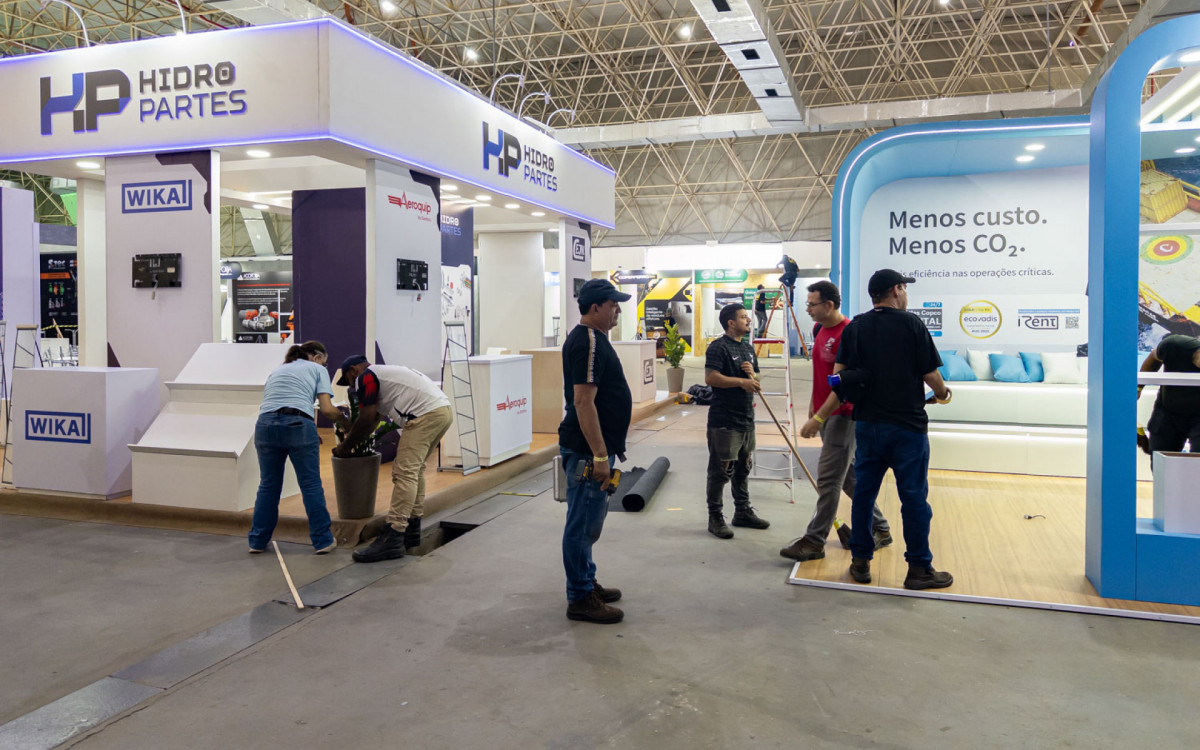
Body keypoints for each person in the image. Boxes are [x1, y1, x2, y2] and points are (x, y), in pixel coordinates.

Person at [835, 269, 954, 590]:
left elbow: (839, 374)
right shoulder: (911, 324)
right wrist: (943, 395)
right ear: (897, 290)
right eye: (904, 288)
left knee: (863, 495)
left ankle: (860, 562)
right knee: (914, 499)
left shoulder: (855, 327)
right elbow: (930, 375)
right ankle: (918, 569)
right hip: (907, 428)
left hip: (868, 426)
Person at [780, 281, 892, 562]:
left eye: (812, 304)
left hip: (842, 415)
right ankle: (881, 527)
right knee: (848, 478)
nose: (808, 310)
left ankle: (814, 541)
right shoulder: (819, 330)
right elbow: (820, 374)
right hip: (824, 415)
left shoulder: (850, 334)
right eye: (807, 304)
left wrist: (819, 417)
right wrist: (812, 408)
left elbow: (846, 386)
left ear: (829, 305)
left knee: (828, 479)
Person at [558, 279, 633, 624]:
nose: (618, 309)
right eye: (613, 303)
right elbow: (583, 401)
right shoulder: (588, 342)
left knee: (589, 521)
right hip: (588, 452)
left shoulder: (594, 340)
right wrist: (600, 455)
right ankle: (580, 597)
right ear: (594, 308)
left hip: (593, 449)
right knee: (582, 523)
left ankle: (586, 581)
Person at [334, 357, 454, 563]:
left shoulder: (367, 377)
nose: (352, 387)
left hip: (424, 415)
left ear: (353, 371)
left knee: (404, 472)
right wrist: (354, 442)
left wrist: (345, 447)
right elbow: (373, 420)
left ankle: (394, 534)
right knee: (415, 470)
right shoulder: (385, 374)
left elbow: (366, 417)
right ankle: (412, 527)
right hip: (441, 411)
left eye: (349, 381)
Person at [249, 340, 346, 555]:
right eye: (325, 362)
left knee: (268, 485)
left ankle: (256, 541)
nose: (325, 366)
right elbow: (327, 409)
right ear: (317, 357)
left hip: (264, 425)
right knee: (310, 484)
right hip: (297, 424)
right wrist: (345, 420)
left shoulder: (279, 370)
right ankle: (322, 541)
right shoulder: (317, 369)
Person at [704, 303, 770, 539]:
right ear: (731, 322)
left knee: (743, 468)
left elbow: (757, 379)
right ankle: (715, 517)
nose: (749, 320)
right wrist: (741, 382)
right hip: (725, 421)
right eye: (743, 317)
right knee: (721, 471)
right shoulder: (718, 347)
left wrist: (752, 373)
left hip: (746, 420)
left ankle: (742, 511)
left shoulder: (749, 349)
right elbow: (711, 377)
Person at [1140, 333, 1200, 462]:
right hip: (1168, 410)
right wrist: (1138, 387)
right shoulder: (1175, 344)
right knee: (1159, 459)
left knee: (1197, 463)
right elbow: (1154, 358)